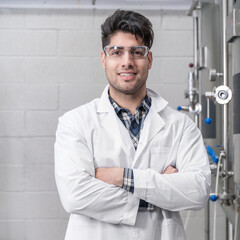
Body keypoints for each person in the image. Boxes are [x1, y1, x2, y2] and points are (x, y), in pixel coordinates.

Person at [54, 9, 211, 240]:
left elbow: (197, 191)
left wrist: (121, 177)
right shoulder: (75, 122)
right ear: (103, 59)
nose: (127, 61)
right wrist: (160, 191)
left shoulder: (180, 126)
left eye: (136, 52)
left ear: (148, 59)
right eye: (116, 52)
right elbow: (75, 194)